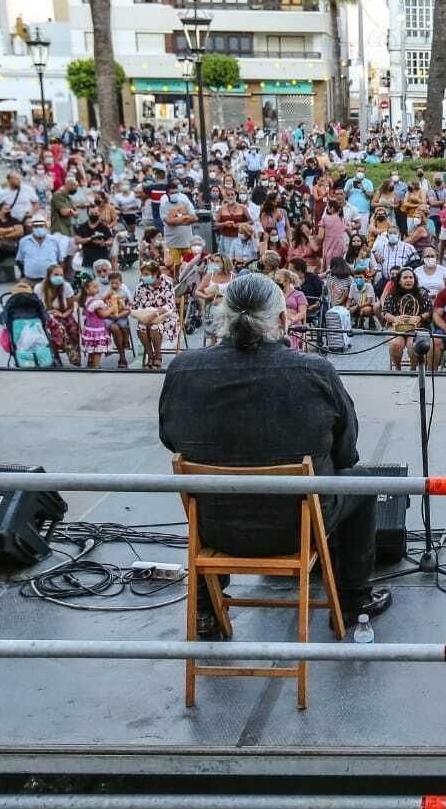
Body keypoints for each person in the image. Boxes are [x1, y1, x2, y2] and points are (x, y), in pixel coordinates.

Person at [158, 273, 388, 640]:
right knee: (363, 483)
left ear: (223, 318)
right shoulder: (315, 371)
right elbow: (348, 453)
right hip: (301, 527)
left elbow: (171, 441)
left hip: (217, 528)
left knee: (204, 485)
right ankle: (353, 601)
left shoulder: (183, 369)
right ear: (283, 321)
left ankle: (205, 609)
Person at [381, 267, 431, 370]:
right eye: (405, 277)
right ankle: (398, 369)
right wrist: (395, 319)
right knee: (395, 345)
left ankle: (412, 369)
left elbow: (429, 311)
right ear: (399, 281)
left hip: (417, 327)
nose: (408, 280)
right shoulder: (392, 293)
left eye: (411, 277)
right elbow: (385, 312)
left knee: (413, 346)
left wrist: (419, 317)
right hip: (399, 327)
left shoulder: (422, 293)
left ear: (414, 279)